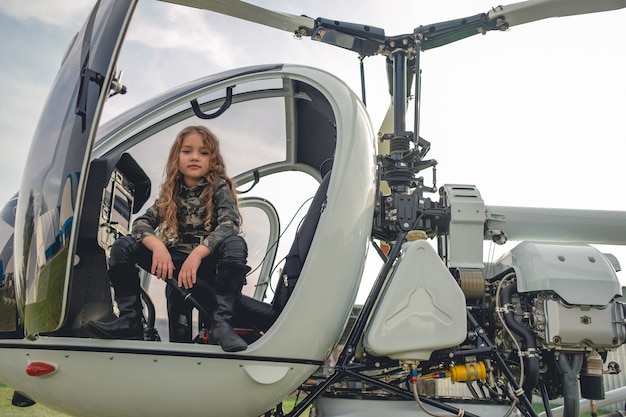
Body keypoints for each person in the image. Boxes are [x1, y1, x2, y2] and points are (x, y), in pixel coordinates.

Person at [86, 125, 250, 352]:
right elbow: (141, 223)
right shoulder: (171, 190)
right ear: (176, 157)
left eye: (203, 153)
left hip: (209, 261)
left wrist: (198, 253)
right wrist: (158, 247)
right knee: (124, 246)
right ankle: (131, 320)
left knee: (235, 243)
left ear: (213, 160)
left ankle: (222, 323)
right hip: (176, 257)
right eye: (187, 151)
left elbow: (229, 223)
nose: (195, 157)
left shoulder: (218, 187)